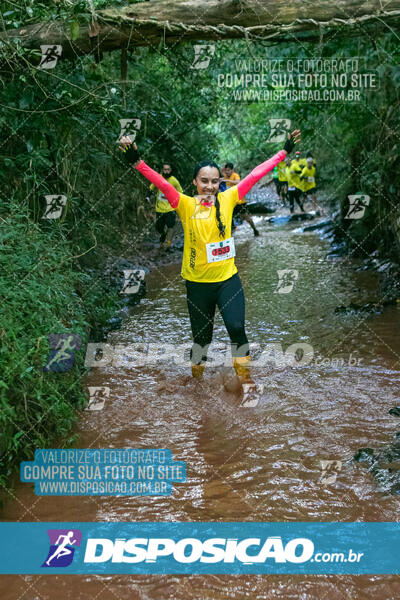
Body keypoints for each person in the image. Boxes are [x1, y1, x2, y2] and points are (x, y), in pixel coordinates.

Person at [119, 130, 301, 388]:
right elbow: (162, 183)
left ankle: (245, 380)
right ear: (194, 182)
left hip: (228, 281)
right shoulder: (184, 204)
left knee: (237, 328)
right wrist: (137, 162)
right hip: (197, 286)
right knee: (202, 341)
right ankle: (196, 383)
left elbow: (256, 174)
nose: (210, 186)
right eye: (204, 181)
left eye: (215, 181)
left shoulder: (228, 199)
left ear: (220, 183)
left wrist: (284, 152)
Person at [150, 163, 183, 251]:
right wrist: (147, 196)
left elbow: (181, 193)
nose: (166, 171)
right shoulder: (158, 178)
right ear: (162, 170)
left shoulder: (174, 181)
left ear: (170, 170)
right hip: (159, 208)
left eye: (168, 169)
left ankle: (168, 244)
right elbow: (151, 187)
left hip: (170, 209)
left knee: (170, 227)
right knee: (159, 227)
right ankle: (163, 235)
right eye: (165, 169)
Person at [222, 162, 260, 237]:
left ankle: (255, 230)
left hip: (240, 202)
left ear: (232, 170)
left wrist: (228, 181)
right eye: (226, 170)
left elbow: (238, 182)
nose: (227, 172)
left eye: (229, 170)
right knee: (228, 217)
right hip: (231, 202)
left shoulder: (235, 175)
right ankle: (230, 235)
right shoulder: (225, 176)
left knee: (246, 217)